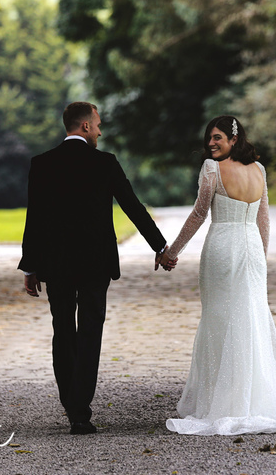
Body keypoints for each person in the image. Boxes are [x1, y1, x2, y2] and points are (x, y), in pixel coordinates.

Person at [19, 102, 173, 435]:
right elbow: (132, 205)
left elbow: (36, 218)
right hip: (95, 263)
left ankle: (70, 404)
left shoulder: (42, 163)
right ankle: (80, 410)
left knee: (63, 329)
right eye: (98, 125)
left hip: (56, 263)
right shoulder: (105, 163)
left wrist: (30, 266)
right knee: (90, 331)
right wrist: (160, 246)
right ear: (85, 126)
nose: (100, 131)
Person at [160, 115, 276, 436]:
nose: (211, 144)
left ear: (234, 139)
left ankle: (221, 403)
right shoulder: (259, 170)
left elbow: (199, 214)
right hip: (252, 249)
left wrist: (172, 252)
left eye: (218, 138)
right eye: (209, 138)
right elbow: (263, 220)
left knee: (220, 319)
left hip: (223, 246)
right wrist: (261, 258)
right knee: (249, 319)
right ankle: (251, 400)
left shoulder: (212, 169)